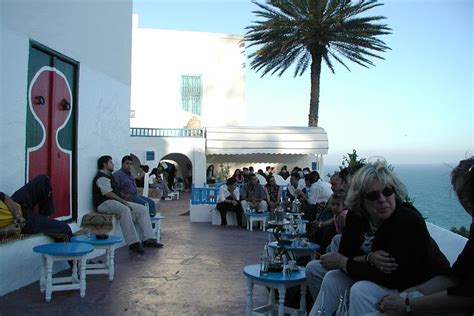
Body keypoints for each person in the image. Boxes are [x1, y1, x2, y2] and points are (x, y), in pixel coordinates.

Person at [310, 161, 450, 315]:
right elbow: (345, 252)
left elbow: (391, 276)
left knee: (361, 290)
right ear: (361, 200)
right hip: (389, 281)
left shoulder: (407, 221)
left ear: (394, 192)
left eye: (387, 191)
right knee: (333, 278)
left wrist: (344, 262)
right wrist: (369, 258)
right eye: (372, 195)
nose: (382, 199)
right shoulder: (356, 217)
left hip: (420, 285)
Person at [378, 157, 474, 315]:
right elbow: (456, 277)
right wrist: (406, 295)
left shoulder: (408, 220)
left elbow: (467, 296)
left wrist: (407, 304)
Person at [93, 155, 162, 254]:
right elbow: (107, 193)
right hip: (104, 203)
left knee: (142, 209)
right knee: (125, 209)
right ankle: (133, 243)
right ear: (104, 164)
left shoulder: (110, 176)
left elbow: (115, 191)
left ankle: (148, 239)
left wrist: (123, 197)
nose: (113, 164)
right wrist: (124, 201)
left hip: (114, 201)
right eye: (111, 162)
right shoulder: (101, 177)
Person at [0, 175, 72, 241]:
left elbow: (5, 198)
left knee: (43, 180)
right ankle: (42, 223)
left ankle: (44, 220)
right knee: (65, 230)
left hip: (16, 206)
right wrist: (6, 230)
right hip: (18, 223)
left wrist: (17, 215)